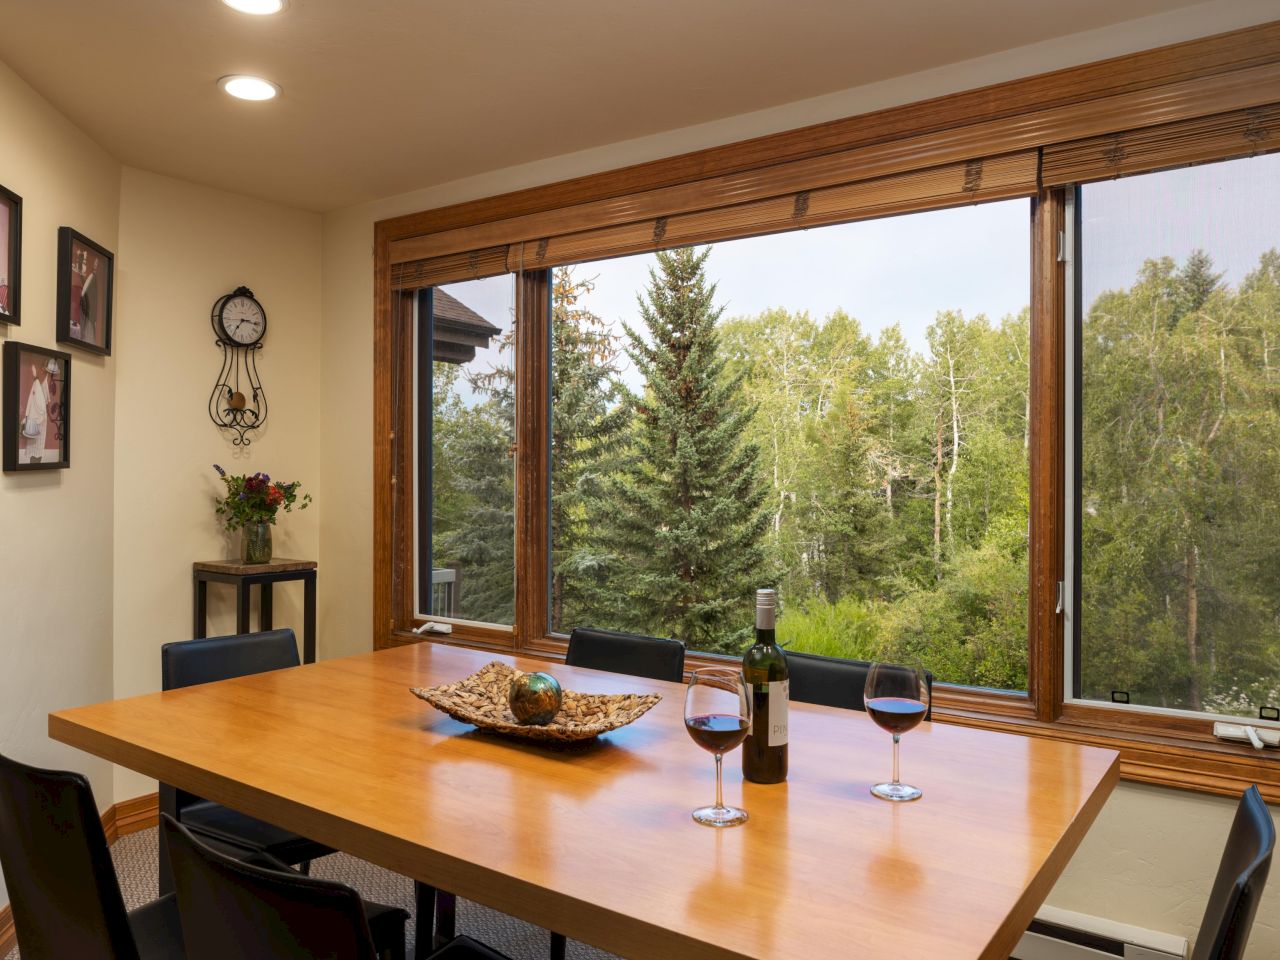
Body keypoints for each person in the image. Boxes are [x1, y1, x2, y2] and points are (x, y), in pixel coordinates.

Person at [20, 358, 56, 464]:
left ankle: (35, 464)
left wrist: (35, 377)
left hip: (39, 421)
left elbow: (42, 402)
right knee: (35, 447)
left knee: (38, 446)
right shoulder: (38, 383)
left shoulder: (41, 381)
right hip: (37, 420)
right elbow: (39, 401)